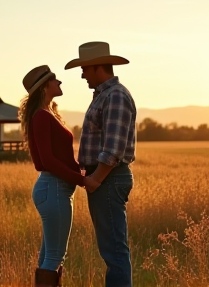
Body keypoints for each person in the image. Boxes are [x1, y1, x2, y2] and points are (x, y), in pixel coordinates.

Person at [18, 65, 100, 287]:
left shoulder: (46, 114)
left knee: (49, 256)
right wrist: (83, 180)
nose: (60, 83)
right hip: (54, 189)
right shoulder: (42, 116)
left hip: (54, 189)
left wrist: (82, 171)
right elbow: (47, 161)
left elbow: (58, 159)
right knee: (55, 256)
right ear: (45, 86)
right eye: (55, 80)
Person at [64, 41, 137, 287]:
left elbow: (113, 147)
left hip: (108, 178)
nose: (82, 74)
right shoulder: (105, 95)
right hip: (105, 179)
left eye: (84, 68)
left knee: (114, 251)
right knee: (112, 249)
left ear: (97, 67)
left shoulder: (115, 96)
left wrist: (95, 179)